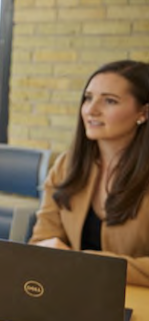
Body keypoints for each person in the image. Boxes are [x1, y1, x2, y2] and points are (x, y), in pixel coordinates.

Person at [30, 60, 149, 287]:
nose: (91, 110)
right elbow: (42, 240)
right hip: (73, 294)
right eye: (88, 98)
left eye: (110, 101)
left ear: (143, 112)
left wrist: (86, 262)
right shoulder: (67, 164)